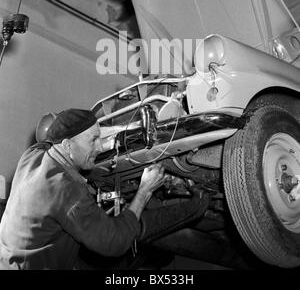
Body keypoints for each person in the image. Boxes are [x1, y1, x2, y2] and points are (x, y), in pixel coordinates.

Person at [0, 108, 208, 270]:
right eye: (93, 140)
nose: (99, 148)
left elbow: (50, 139)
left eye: (99, 138)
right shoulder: (67, 191)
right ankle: (199, 205)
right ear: (66, 145)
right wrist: (144, 191)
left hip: (9, 259)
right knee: (125, 240)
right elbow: (113, 242)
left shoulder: (32, 155)